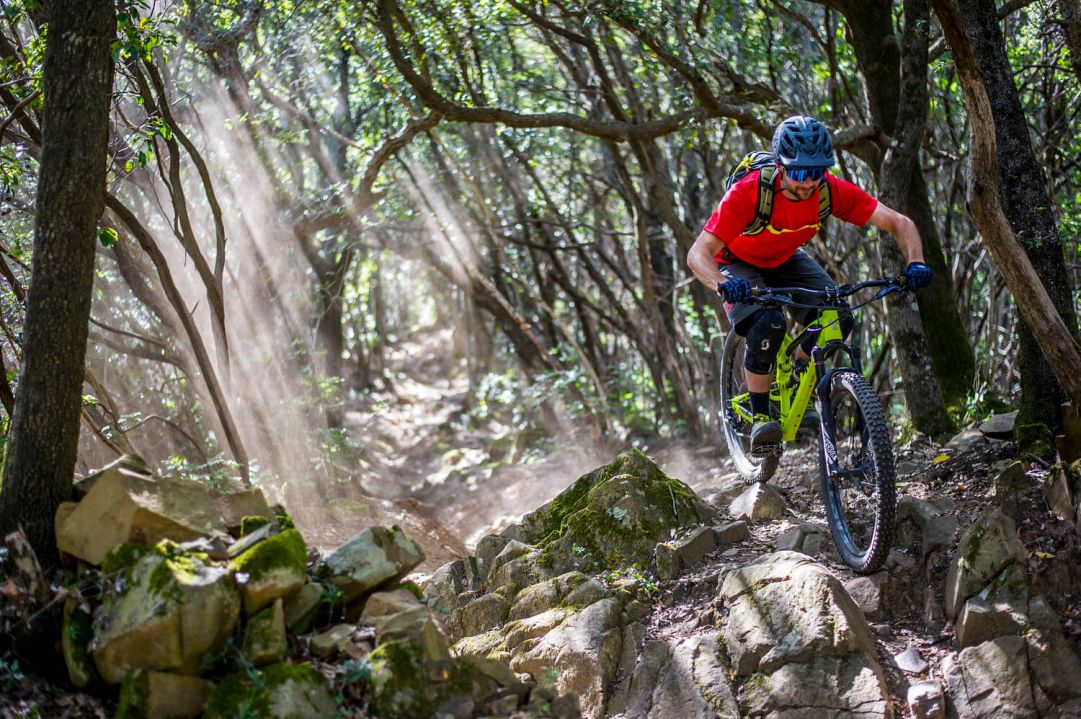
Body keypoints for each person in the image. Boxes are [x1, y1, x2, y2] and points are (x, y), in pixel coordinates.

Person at [687, 115, 932, 456]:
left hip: (785, 258)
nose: (808, 183)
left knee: (839, 318)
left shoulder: (828, 190)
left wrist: (916, 262)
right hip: (737, 262)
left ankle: (796, 364)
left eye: (816, 172)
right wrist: (722, 283)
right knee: (767, 322)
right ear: (780, 167)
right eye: (799, 173)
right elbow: (698, 253)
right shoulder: (749, 193)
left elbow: (899, 222)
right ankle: (761, 418)